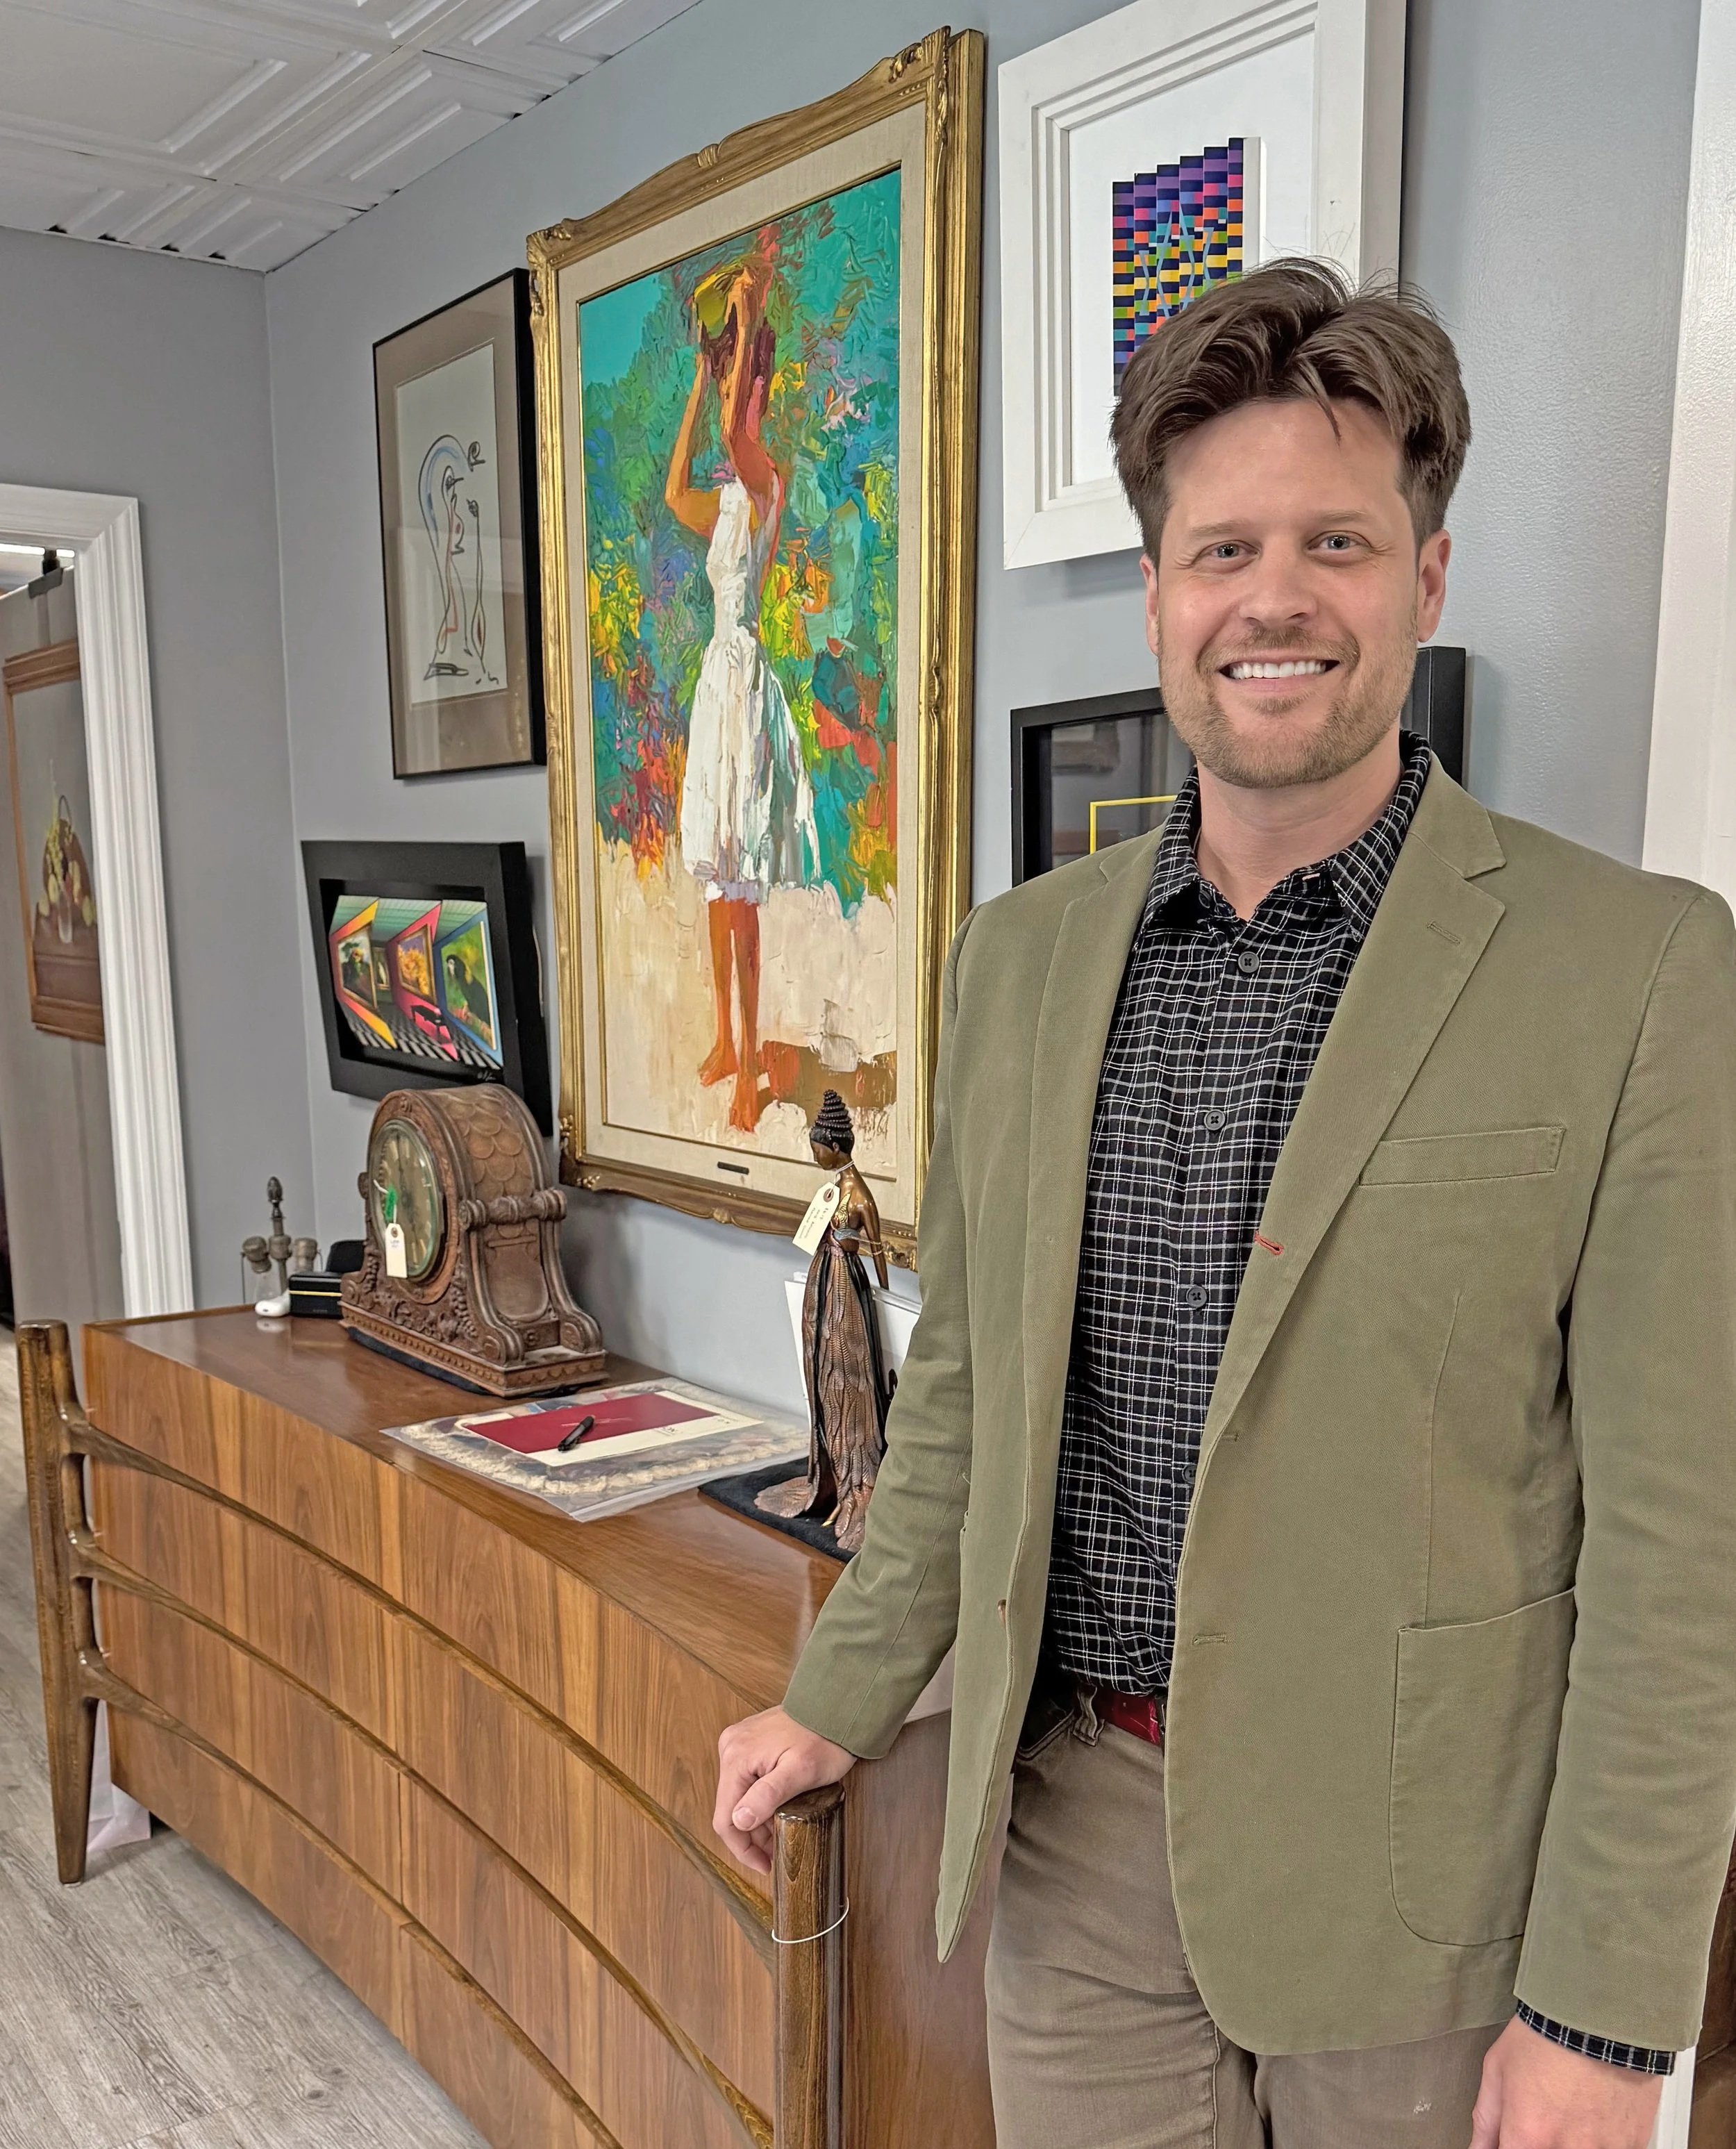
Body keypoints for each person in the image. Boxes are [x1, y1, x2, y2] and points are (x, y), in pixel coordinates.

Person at [712, 259, 1736, 2148]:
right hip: (1079, 1838)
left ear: (1426, 578)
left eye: (1336, 541)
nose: (1275, 596)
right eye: (1222, 547)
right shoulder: (1016, 960)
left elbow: (1683, 1556)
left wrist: (1602, 2008)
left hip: (1429, 1877)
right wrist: (838, 1691)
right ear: (1158, 594)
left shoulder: (1642, 970)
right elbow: (961, 1402)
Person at [665, 235, 818, 1134]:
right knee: (715, 884)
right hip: (714, 686)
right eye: (735, 379)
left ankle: (752, 1060)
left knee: (745, 891)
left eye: (744, 380)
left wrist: (749, 311)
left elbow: (731, 438)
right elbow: (678, 479)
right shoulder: (722, 500)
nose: (738, 394)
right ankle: (726, 1037)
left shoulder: (766, 482)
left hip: (745, 679)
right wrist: (698, 372)